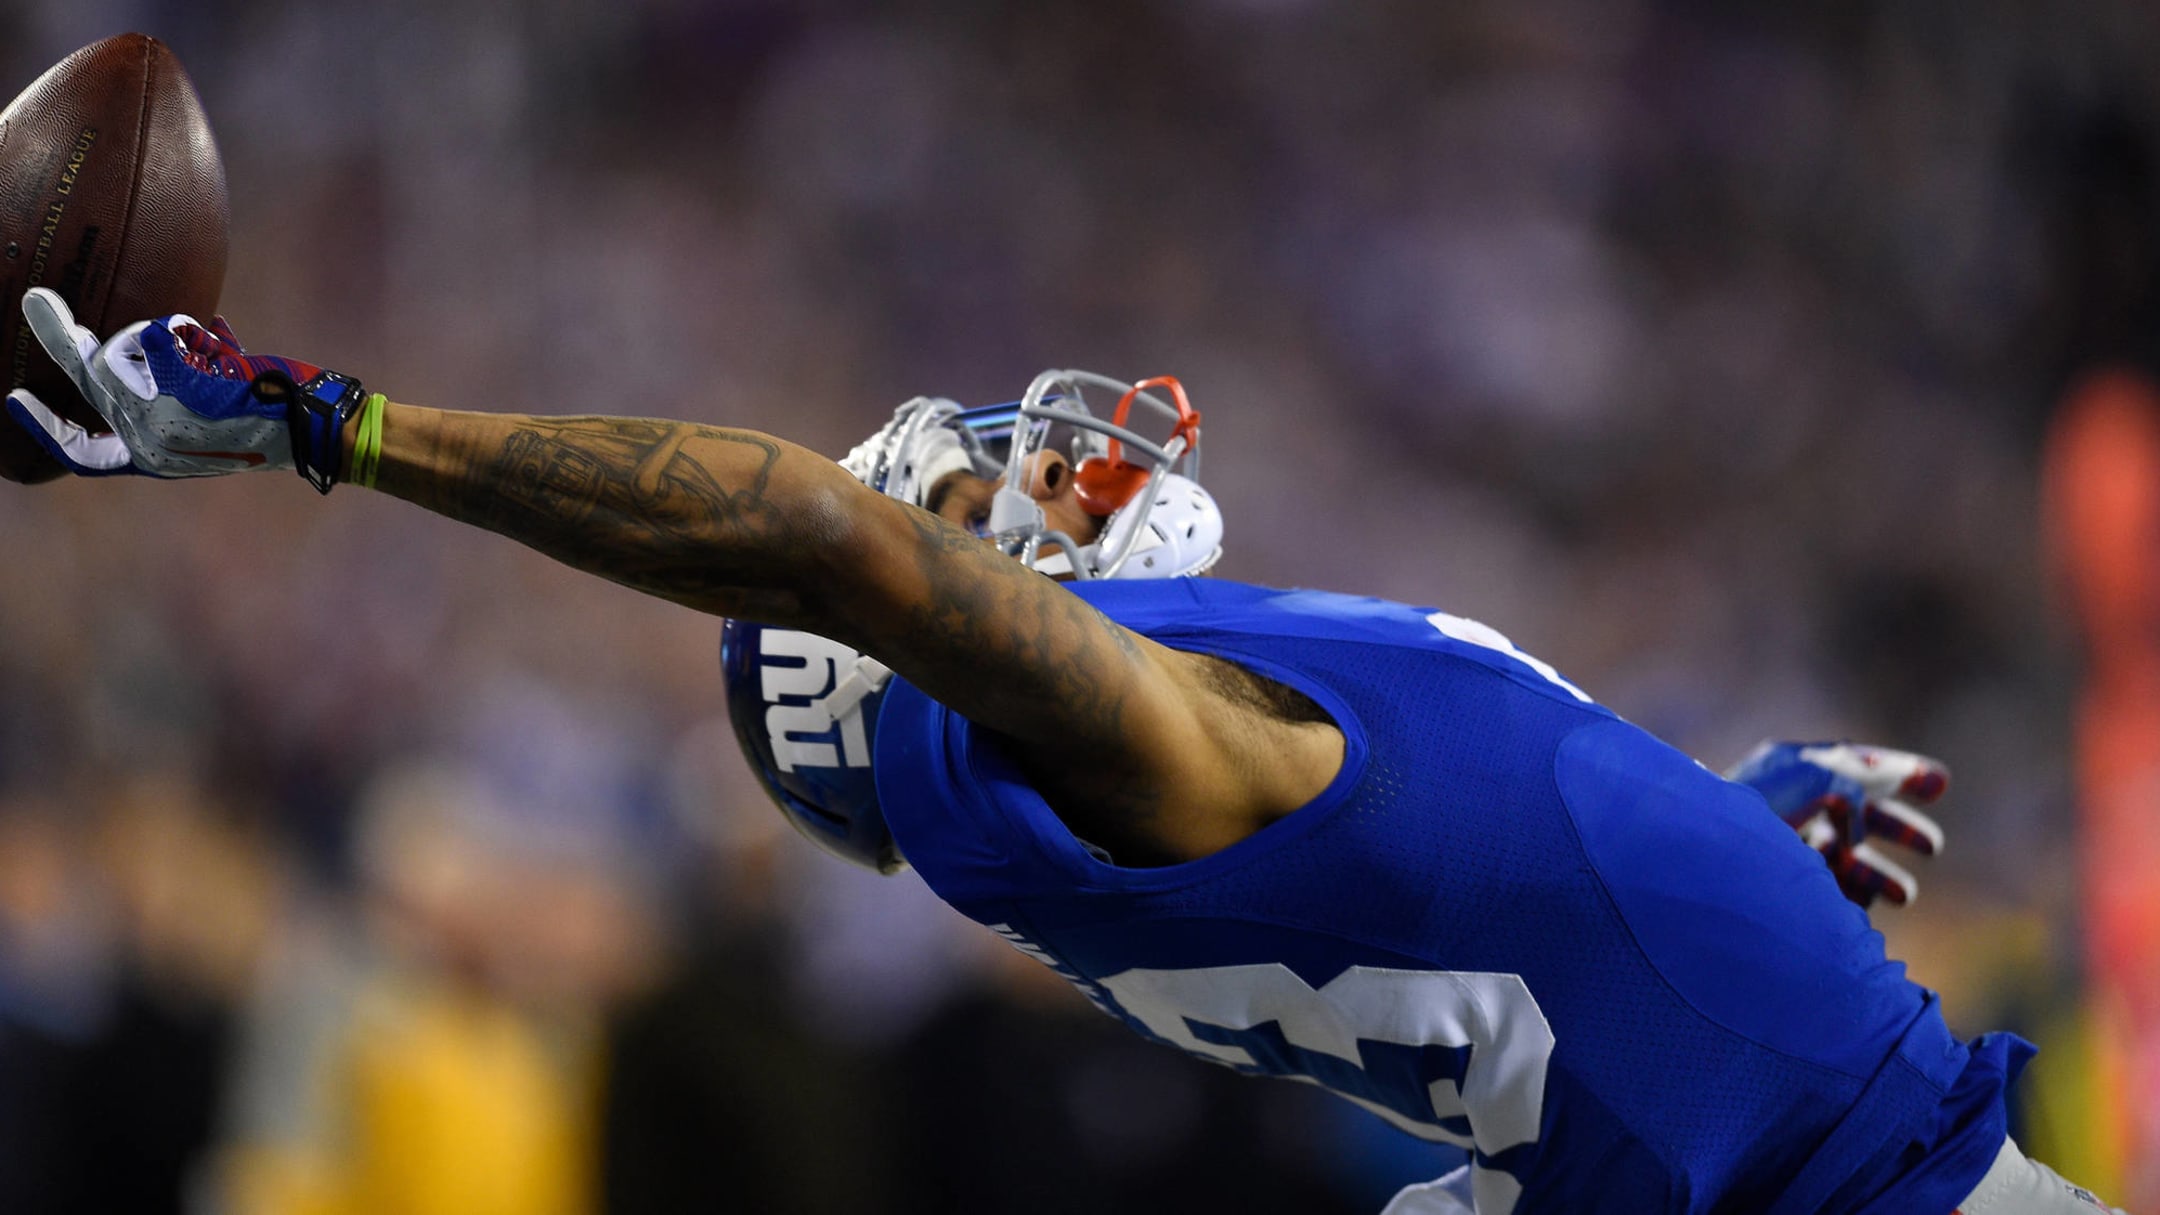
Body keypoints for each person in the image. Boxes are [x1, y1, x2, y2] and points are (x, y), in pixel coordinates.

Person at [0, 285, 2129, 1214]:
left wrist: (1715, 883)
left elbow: (1501, 933)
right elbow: (812, 533)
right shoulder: (1064, 749)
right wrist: (327, 417)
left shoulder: (1147, 775)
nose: (1016, 479)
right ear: (895, 663)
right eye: (956, 511)